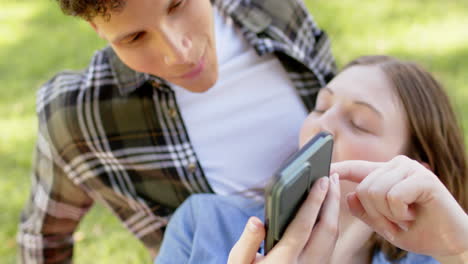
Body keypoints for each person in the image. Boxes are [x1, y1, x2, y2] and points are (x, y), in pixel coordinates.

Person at [17, 0, 336, 262]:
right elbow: (42, 240)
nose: (179, 53)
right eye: (135, 37)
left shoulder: (274, 11)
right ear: (96, 27)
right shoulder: (79, 115)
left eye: (178, 5)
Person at [155, 55, 468, 264]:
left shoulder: (433, 253)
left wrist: (460, 248)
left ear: (412, 172)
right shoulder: (203, 225)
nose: (323, 124)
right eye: (320, 107)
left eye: (359, 123)